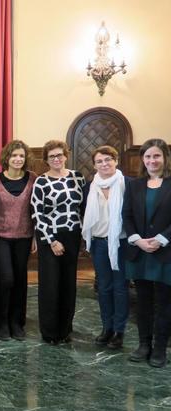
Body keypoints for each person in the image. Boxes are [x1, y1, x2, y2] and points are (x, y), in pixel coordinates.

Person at [31, 140, 85, 345]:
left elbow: (84, 207)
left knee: (68, 284)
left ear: (66, 156)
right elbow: (37, 215)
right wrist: (52, 241)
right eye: (52, 156)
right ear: (46, 159)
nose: (56, 159)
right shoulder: (41, 182)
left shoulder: (77, 177)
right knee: (50, 285)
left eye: (59, 155)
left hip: (73, 235)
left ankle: (65, 330)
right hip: (50, 237)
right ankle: (50, 332)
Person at [122, 139, 171, 367]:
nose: (152, 160)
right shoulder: (134, 185)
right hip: (140, 252)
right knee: (142, 301)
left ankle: (160, 348)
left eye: (157, 156)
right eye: (148, 156)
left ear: (165, 158)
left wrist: (161, 239)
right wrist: (137, 240)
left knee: (164, 302)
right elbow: (127, 215)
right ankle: (144, 345)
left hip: (165, 252)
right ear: (142, 159)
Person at [0, 140, 37, 341]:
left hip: (24, 236)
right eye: (14, 155)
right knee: (5, 278)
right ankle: (1, 322)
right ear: (6, 158)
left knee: (20, 279)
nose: (18, 159)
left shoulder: (33, 179)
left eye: (21, 156)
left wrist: (35, 236)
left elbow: (36, 210)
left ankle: (16, 322)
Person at [81, 145, 129, 350]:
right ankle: (107, 328)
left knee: (120, 288)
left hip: (121, 243)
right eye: (99, 161)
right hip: (99, 243)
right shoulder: (89, 187)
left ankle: (119, 331)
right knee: (104, 287)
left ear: (116, 161)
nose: (104, 164)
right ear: (94, 165)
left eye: (108, 159)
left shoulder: (127, 184)